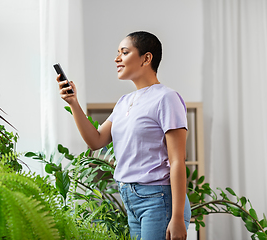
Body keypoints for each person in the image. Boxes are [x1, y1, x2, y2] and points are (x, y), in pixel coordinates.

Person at [56, 31, 191, 240]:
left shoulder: (167, 98)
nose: (116, 58)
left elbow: (177, 161)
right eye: (117, 53)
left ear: (146, 58)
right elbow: (96, 141)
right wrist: (73, 102)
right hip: (131, 199)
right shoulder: (123, 102)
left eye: (124, 52)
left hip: (158, 199)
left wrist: (177, 217)